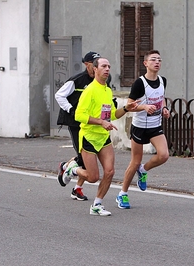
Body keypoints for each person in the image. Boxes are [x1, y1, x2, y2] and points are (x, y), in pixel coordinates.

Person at [62, 57, 139, 216]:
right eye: (104, 66)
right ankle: (72, 170)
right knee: (92, 177)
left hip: (103, 137)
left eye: (109, 66)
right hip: (89, 136)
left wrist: (126, 108)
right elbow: (79, 115)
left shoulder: (107, 90)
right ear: (95, 69)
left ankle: (97, 205)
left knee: (109, 172)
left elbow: (111, 114)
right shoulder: (89, 90)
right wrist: (100, 122)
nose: (107, 69)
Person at [116, 50, 170, 209]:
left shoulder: (162, 80)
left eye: (159, 60)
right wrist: (144, 107)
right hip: (139, 127)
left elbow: (162, 98)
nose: (157, 62)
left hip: (155, 126)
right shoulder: (139, 83)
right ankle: (122, 194)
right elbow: (129, 106)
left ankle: (144, 170)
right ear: (145, 63)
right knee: (135, 161)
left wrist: (165, 109)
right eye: (153, 59)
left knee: (164, 155)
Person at [55, 51, 101, 201]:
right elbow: (59, 95)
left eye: (98, 64)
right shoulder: (77, 80)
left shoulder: (101, 81)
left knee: (88, 157)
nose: (97, 67)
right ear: (87, 65)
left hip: (92, 123)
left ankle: (76, 187)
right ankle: (67, 170)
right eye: (94, 64)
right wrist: (70, 109)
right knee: (84, 157)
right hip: (76, 122)